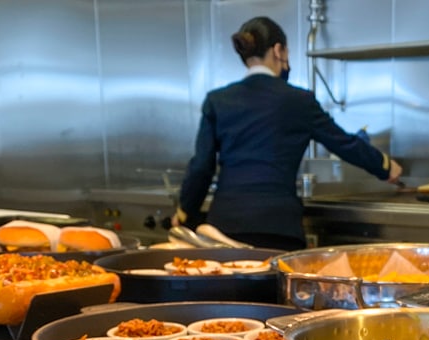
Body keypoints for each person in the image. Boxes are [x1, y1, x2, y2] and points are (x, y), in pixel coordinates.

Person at [173, 16, 403, 251]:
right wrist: (385, 167)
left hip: (223, 229)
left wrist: (184, 213)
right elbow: (343, 143)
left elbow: (201, 166)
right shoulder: (299, 100)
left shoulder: (217, 100)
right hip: (277, 230)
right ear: (278, 50)